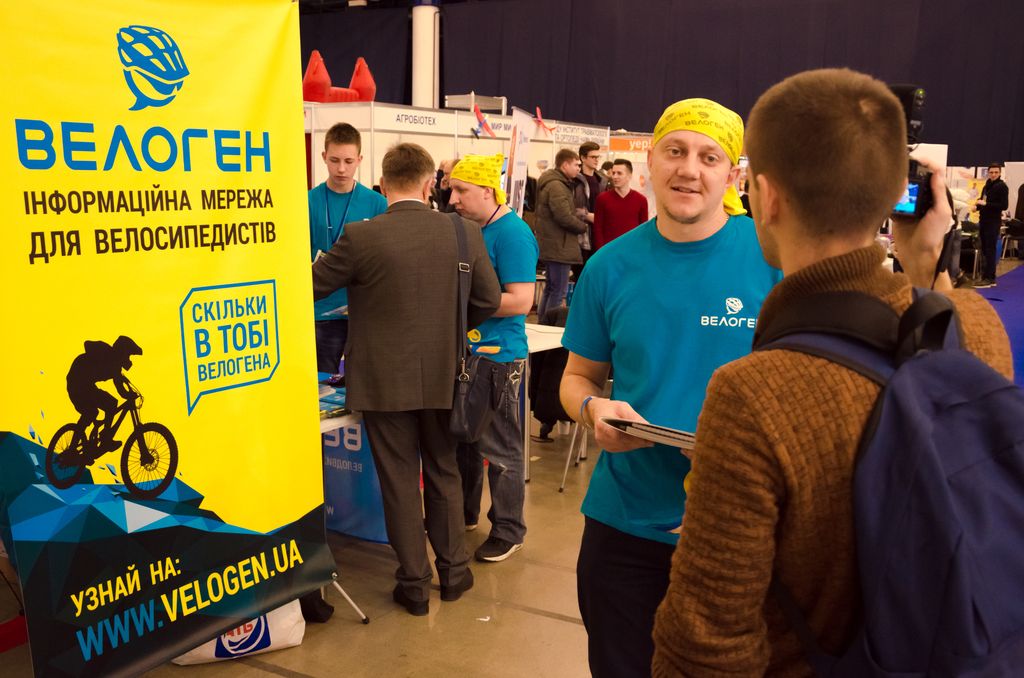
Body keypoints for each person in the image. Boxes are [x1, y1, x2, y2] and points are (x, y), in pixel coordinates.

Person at [651, 68, 1013, 677]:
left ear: (766, 197)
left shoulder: (752, 394)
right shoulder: (977, 325)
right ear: (893, 194)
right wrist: (925, 258)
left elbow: (706, 645)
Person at [559, 98, 782, 678]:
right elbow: (577, 377)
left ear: (732, 176)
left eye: (710, 157)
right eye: (676, 151)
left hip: (738, 528)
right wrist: (593, 409)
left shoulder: (773, 258)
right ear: (650, 162)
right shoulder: (609, 267)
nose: (689, 169)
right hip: (625, 524)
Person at [312, 143, 501, 616]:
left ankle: (413, 584)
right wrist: (449, 331)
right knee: (443, 471)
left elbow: (309, 285)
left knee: (398, 481)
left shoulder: (360, 236)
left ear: (382, 184)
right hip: (446, 375)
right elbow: (487, 299)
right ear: (429, 184)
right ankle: (453, 573)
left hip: (381, 380)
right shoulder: (463, 233)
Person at [448, 153, 539, 562]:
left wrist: (462, 300)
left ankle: (508, 529)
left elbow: (521, 300)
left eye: (461, 190)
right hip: (468, 353)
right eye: (452, 189)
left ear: (487, 191)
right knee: (464, 441)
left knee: (501, 449)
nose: (453, 199)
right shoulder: (470, 229)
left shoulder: (513, 234)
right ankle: (466, 515)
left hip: (499, 358)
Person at [307, 122, 388, 373]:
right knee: (323, 383)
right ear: (324, 157)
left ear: (359, 159)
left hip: (362, 312)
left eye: (348, 161)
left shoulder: (377, 204)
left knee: (362, 382)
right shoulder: (307, 201)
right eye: (334, 160)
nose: (341, 168)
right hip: (321, 312)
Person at [65, 336, 143, 452]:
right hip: (77, 383)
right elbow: (87, 343)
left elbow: (121, 390)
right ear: (122, 352)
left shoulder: (116, 369)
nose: (128, 359)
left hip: (87, 386)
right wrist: (99, 359)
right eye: (128, 355)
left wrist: (129, 395)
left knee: (96, 410)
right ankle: (100, 441)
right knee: (102, 407)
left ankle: (94, 443)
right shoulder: (105, 351)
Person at [535, 149, 588, 317]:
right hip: (559, 245)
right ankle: (550, 325)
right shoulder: (557, 186)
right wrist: (583, 227)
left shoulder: (554, 182)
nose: (579, 168)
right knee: (558, 291)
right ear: (565, 165)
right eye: (576, 165)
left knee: (551, 288)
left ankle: (544, 322)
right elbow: (563, 216)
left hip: (553, 244)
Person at [592, 158, 648, 251]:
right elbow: (597, 229)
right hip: (609, 252)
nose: (615, 176)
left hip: (632, 251)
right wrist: (601, 252)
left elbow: (643, 230)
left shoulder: (641, 200)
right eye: (613, 173)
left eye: (619, 173)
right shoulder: (602, 199)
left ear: (629, 176)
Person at [974, 163, 1008, 287]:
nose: (993, 174)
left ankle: (990, 278)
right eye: (991, 172)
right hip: (983, 220)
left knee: (990, 249)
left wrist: (986, 204)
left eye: (996, 172)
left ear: (1000, 173)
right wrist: (977, 206)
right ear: (988, 173)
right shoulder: (986, 186)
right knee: (984, 249)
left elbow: (1004, 205)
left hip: (993, 222)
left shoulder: (1002, 186)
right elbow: (983, 200)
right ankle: (986, 276)